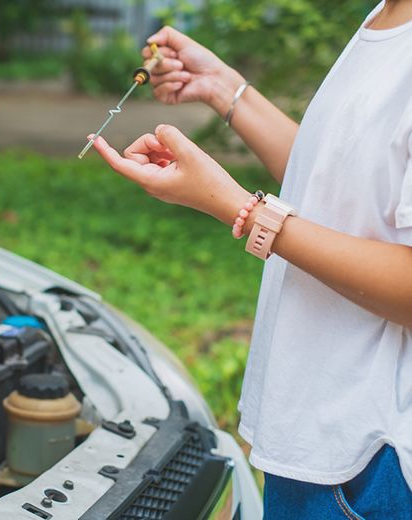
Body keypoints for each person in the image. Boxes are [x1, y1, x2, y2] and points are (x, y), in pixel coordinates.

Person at [88, 1, 412, 518]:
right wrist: (221, 86)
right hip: (314, 436)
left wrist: (238, 207)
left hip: (369, 464)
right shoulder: (386, 13)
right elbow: (332, 183)